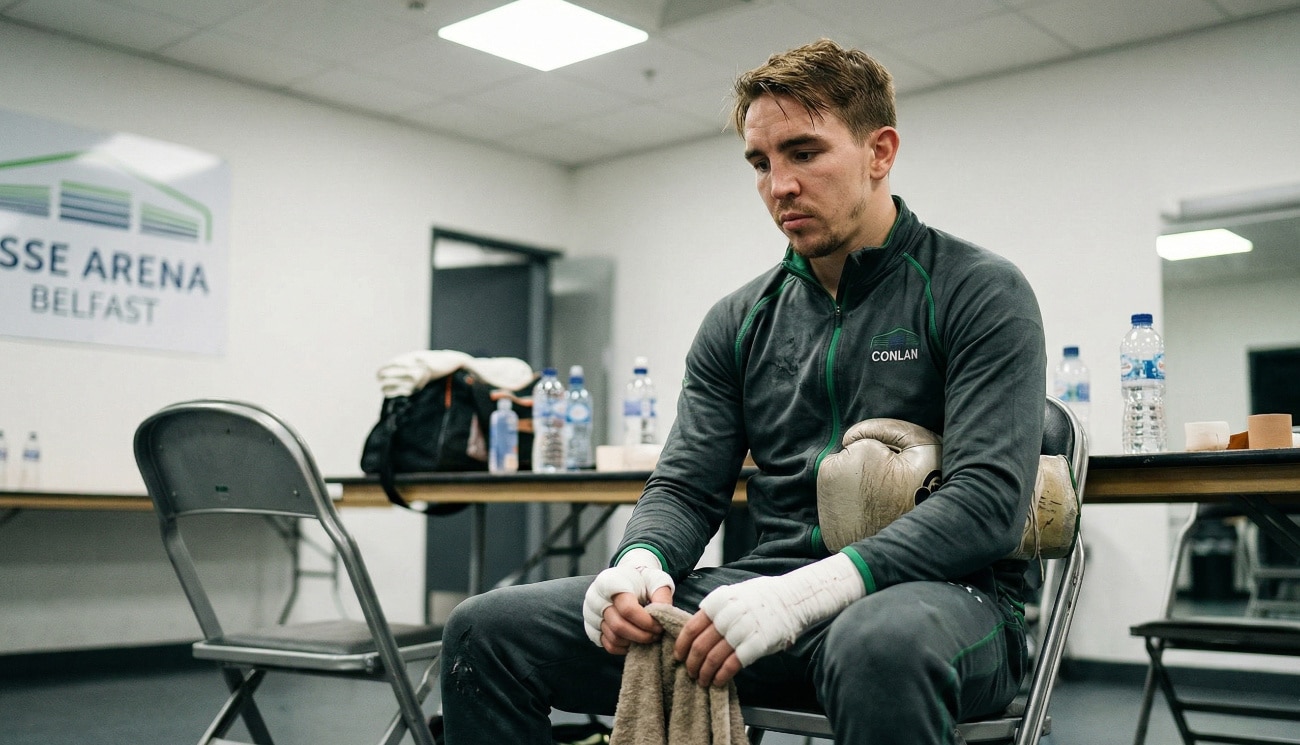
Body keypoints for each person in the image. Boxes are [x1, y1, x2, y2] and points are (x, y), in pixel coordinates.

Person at [439, 38, 1046, 745]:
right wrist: (640, 562)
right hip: (767, 591)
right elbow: (686, 485)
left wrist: (807, 594)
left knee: (879, 648)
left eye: (804, 153)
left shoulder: (977, 290)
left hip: (943, 598)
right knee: (486, 630)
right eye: (761, 163)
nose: (779, 185)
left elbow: (986, 503)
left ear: (879, 152)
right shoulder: (739, 320)